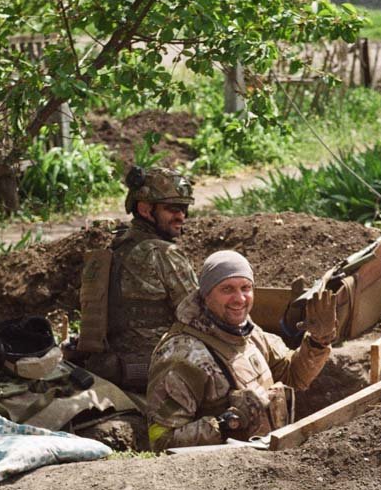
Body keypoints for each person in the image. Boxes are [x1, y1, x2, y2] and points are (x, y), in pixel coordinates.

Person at [145, 250, 337, 450]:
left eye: (246, 288)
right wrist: (227, 423)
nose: (240, 299)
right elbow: (160, 440)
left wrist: (318, 342)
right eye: (227, 289)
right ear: (206, 294)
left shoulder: (250, 334)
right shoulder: (181, 356)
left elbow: (294, 375)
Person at [77, 165, 199, 394]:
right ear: (144, 209)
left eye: (184, 208)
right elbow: (200, 316)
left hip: (110, 365)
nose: (181, 216)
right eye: (172, 209)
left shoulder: (115, 247)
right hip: (153, 369)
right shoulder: (162, 253)